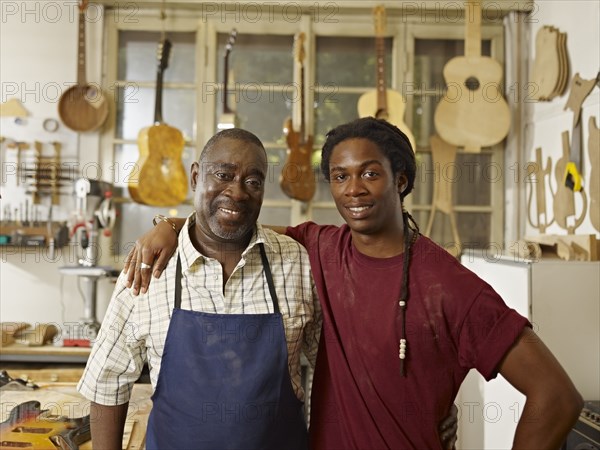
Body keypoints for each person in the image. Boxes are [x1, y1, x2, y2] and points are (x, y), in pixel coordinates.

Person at [125, 118, 583, 448]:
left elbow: (557, 396)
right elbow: (232, 221)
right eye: (340, 177)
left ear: (400, 180)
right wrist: (167, 223)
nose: (353, 189)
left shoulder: (450, 285)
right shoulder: (320, 247)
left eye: (370, 173)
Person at [77, 128, 322, 449]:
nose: (237, 192)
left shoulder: (297, 263)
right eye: (223, 175)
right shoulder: (149, 267)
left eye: (253, 181)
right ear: (195, 176)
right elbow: (107, 384)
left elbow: (332, 375)